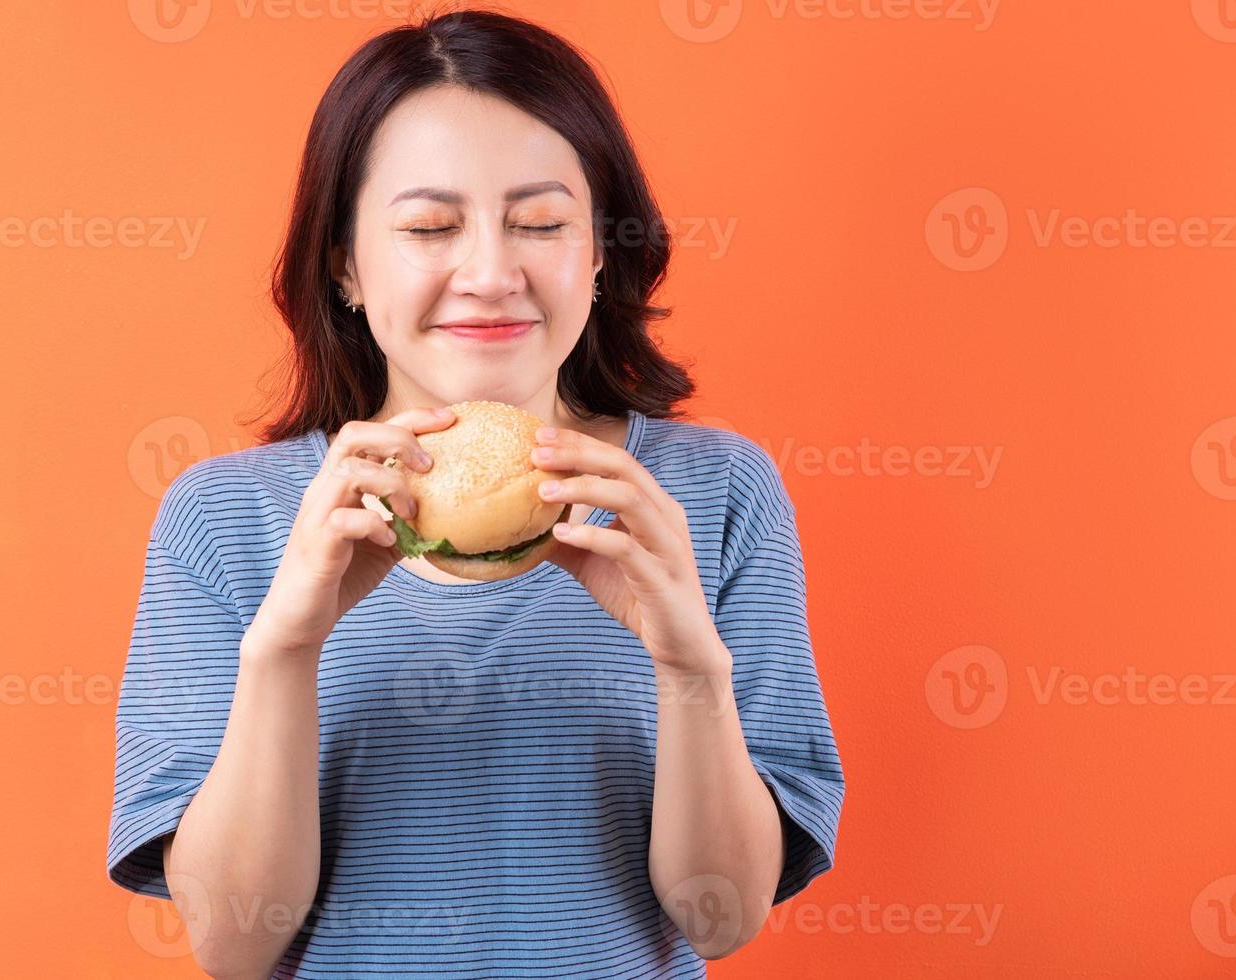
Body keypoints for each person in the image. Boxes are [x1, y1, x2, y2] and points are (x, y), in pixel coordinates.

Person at [106, 9, 844, 978]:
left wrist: (689, 663)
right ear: (345, 266)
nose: (492, 273)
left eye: (541, 223)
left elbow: (720, 916)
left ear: (599, 251)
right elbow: (237, 945)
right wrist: (286, 648)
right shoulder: (225, 519)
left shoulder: (715, 494)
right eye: (428, 227)